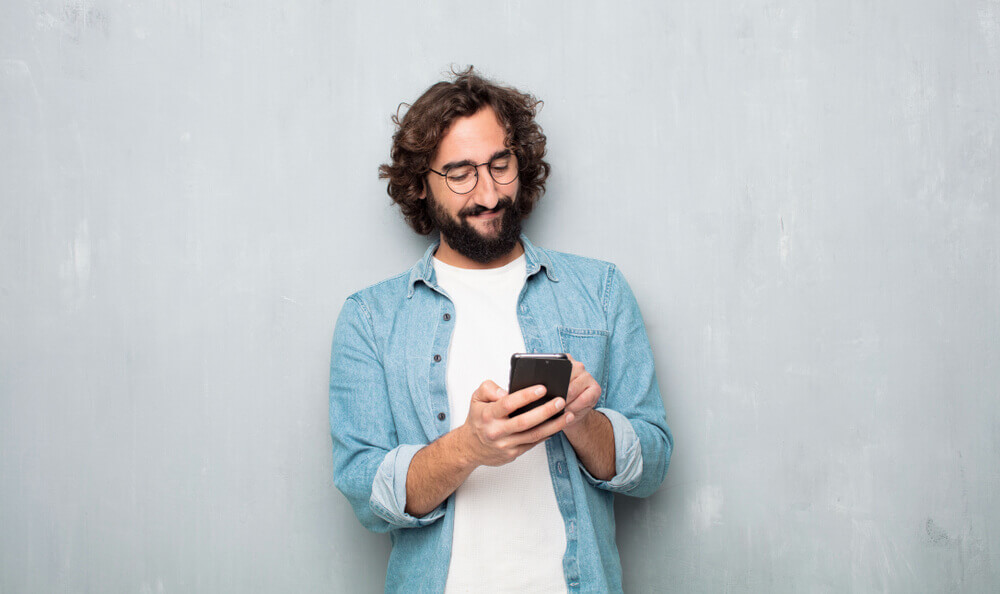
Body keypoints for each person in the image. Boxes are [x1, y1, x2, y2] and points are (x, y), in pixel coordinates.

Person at [329, 68, 672, 593]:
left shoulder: (599, 289)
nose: (488, 193)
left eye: (500, 164)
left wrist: (583, 423)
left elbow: (652, 465)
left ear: (521, 162)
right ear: (422, 183)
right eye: (461, 172)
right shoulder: (371, 319)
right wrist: (468, 447)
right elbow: (366, 492)